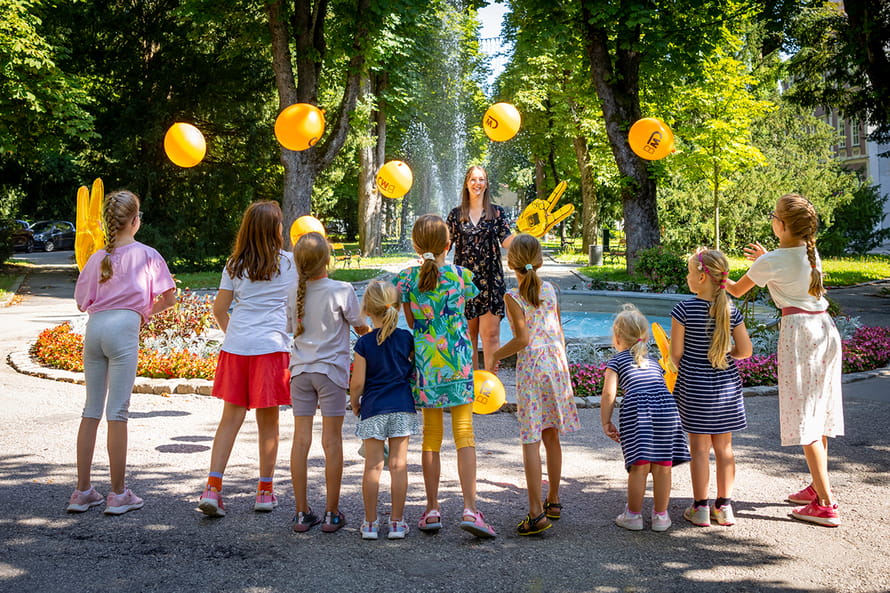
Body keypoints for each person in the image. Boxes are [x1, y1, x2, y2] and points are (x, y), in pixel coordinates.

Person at [726, 194, 843, 527]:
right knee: (817, 414)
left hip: (800, 335)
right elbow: (784, 273)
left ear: (783, 225)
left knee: (805, 417)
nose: (771, 219)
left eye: (774, 215)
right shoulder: (808, 251)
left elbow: (735, 290)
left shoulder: (775, 259)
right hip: (823, 329)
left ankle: (826, 504)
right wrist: (766, 259)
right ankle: (817, 485)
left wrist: (710, 268)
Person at [69, 190, 176, 515]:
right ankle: (118, 493)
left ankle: (82, 490)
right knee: (118, 411)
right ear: (134, 221)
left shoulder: (96, 257)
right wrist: (143, 310)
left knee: (91, 409)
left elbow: (80, 301)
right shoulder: (147, 255)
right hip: (123, 328)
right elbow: (169, 299)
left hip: (96, 329)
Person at [394, 214, 496, 538]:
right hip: (460, 362)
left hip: (427, 364)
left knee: (431, 437)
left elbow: (411, 322)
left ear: (414, 244)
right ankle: (469, 508)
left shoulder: (406, 279)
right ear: (448, 245)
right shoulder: (461, 276)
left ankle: (432, 509)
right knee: (464, 434)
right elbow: (463, 311)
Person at [197, 201, 296, 518]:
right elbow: (297, 307)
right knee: (269, 424)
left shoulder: (234, 265)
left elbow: (218, 309)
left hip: (237, 349)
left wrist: (234, 333)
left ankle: (213, 488)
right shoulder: (289, 264)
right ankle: (265, 492)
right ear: (275, 230)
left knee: (229, 421)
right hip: (271, 349)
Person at [487, 233, 580, 535]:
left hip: (532, 370)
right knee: (552, 435)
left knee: (531, 439)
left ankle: (535, 512)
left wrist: (494, 356)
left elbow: (522, 339)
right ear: (539, 260)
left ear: (510, 263)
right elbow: (558, 331)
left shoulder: (512, 297)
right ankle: (553, 500)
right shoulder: (551, 289)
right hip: (556, 365)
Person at [289, 231, 369, 533]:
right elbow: (361, 327)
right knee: (332, 441)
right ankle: (332, 513)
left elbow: (291, 327)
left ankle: (300, 512)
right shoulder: (342, 289)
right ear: (328, 260)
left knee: (301, 440)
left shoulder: (291, 292)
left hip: (300, 373)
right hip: (331, 374)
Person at [670, 248, 753, 527]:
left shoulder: (683, 309)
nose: (687, 277)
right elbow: (745, 350)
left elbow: (675, 355)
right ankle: (725, 507)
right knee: (725, 448)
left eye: (691, 272)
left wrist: (691, 364)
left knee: (699, 450)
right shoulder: (731, 310)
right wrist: (724, 355)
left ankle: (700, 508)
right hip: (726, 385)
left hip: (694, 385)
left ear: (702, 277)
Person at [600, 305, 691, 532]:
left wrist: (606, 421)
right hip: (667, 410)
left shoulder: (617, 361)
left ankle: (633, 515)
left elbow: (609, 393)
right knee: (663, 465)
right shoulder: (653, 362)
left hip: (638, 411)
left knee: (639, 466)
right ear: (645, 336)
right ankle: (661, 516)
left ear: (618, 337)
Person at [349, 280, 420, 540]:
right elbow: (413, 371)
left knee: (373, 466)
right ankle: (397, 523)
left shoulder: (364, 343)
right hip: (402, 406)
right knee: (399, 465)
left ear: (367, 309)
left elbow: (357, 382)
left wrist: (355, 402)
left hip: (374, 408)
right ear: (398, 308)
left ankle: (369, 523)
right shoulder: (406, 339)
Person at [446, 165, 514, 371]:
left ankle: (490, 393)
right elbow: (444, 244)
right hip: (464, 284)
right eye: (473, 180)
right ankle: (472, 389)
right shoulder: (456, 214)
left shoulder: (497, 213)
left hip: (491, 283)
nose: (477, 184)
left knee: (491, 336)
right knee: (468, 338)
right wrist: (427, 256)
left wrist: (526, 235)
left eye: (481, 179)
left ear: (486, 184)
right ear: (466, 184)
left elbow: (507, 240)